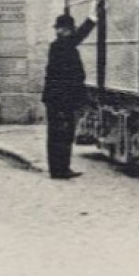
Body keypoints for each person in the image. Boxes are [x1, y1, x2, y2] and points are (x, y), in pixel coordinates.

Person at [42, 11, 96, 180]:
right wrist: (91, 19)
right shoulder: (60, 46)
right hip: (60, 99)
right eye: (68, 29)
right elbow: (77, 38)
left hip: (59, 98)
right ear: (64, 30)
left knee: (60, 134)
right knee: (61, 134)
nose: (69, 32)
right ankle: (60, 170)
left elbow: (76, 38)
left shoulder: (61, 45)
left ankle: (60, 168)